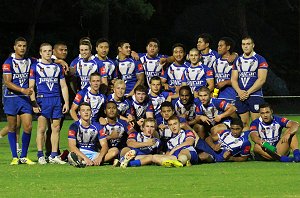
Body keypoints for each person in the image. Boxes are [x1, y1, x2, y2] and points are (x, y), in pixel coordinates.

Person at [29, 43, 69, 164]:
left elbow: (63, 86)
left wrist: (66, 102)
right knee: (41, 128)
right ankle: (40, 154)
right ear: (40, 53)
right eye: (45, 51)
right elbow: (31, 87)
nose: (47, 53)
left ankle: (53, 155)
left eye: (49, 51)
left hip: (56, 99)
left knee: (56, 128)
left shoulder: (57, 67)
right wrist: (34, 103)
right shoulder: (35, 67)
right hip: (42, 99)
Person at [2, 37, 36, 165]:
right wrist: (23, 90)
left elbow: (44, 61)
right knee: (12, 126)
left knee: (28, 126)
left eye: (24, 46)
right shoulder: (8, 62)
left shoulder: (30, 60)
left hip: (24, 99)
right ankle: (15, 156)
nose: (22, 48)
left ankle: (24, 156)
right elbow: (7, 82)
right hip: (11, 98)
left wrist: (59, 60)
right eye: (20, 46)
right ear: (14, 47)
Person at [231, 36, 268, 130]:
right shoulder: (238, 60)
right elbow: (233, 79)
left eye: (248, 44)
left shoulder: (260, 59)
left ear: (253, 45)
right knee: (243, 124)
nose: (245, 46)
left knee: (257, 123)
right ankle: (246, 144)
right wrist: (239, 92)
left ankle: (259, 144)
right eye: (243, 44)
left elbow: (262, 79)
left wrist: (247, 92)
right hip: (240, 96)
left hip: (255, 95)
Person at [68, 102, 108, 167]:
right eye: (83, 110)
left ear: (91, 112)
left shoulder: (97, 126)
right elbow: (72, 146)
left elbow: (104, 145)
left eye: (88, 110)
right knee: (73, 155)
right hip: (80, 153)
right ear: (79, 113)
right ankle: (84, 161)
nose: (86, 112)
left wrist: (100, 158)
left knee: (114, 151)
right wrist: (85, 158)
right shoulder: (74, 126)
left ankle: (86, 162)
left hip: (94, 154)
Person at [212, 37, 237, 104]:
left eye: (221, 46)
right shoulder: (215, 62)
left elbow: (239, 80)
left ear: (228, 47)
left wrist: (225, 82)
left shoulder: (235, 62)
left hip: (230, 96)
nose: (218, 48)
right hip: (216, 96)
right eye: (218, 46)